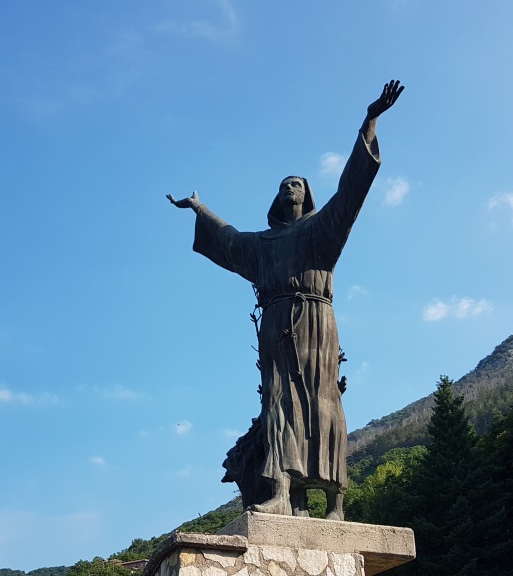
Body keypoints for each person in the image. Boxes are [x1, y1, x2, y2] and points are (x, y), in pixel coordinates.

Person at [168, 80, 403, 520]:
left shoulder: (321, 230)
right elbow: (229, 239)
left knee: (324, 401)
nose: (290, 187)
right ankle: (284, 492)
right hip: (277, 327)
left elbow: (351, 193)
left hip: (316, 321)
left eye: (296, 183)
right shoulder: (263, 245)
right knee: (279, 403)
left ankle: (335, 501)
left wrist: (369, 122)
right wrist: (200, 209)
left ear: (306, 194)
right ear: (277, 198)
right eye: (284, 184)